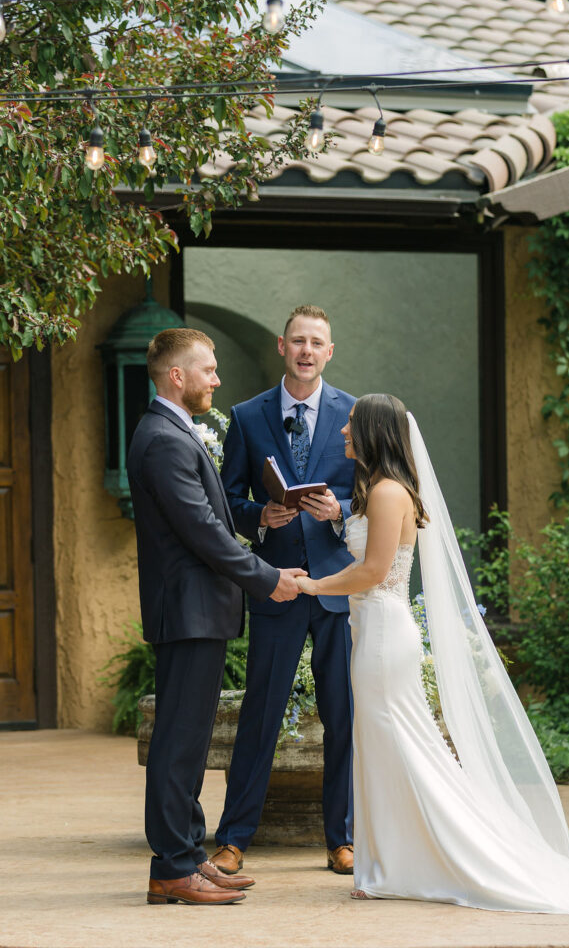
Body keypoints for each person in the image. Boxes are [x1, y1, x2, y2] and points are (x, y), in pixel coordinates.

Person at [295, 393, 569, 912]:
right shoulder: (379, 492)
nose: (343, 433)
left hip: (384, 635)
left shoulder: (388, 493)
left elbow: (375, 572)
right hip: (374, 631)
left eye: (351, 426)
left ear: (372, 434)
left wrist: (312, 587)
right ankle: (385, 864)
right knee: (383, 747)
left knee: (402, 747)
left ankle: (430, 859)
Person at [127, 328, 306, 906]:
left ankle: (188, 858)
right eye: (208, 369)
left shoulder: (174, 432)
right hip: (188, 610)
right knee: (179, 742)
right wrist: (268, 578)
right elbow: (202, 533)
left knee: (190, 740)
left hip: (197, 610)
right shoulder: (163, 439)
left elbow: (215, 515)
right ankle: (172, 869)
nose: (217, 380)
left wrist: (260, 519)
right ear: (176, 376)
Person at [211, 305, 357, 877]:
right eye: (297, 340)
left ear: (329, 352)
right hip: (275, 587)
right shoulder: (247, 415)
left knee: (341, 716)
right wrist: (261, 516)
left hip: (337, 589)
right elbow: (226, 501)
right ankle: (234, 837)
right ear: (281, 346)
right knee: (260, 715)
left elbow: (371, 493)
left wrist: (339, 508)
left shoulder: (353, 413)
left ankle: (340, 838)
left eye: (316, 342)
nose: (306, 350)